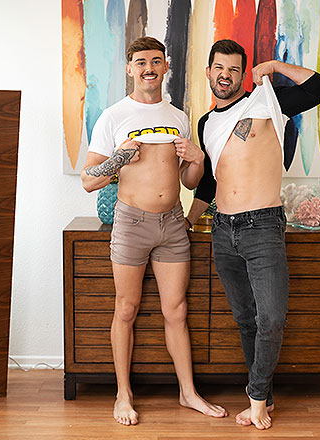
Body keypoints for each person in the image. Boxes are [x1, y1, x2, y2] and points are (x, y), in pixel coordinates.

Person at [185, 39, 320, 430]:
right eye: (219, 68)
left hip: (262, 226)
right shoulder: (205, 124)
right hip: (222, 229)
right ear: (208, 72)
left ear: (242, 74)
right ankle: (263, 398)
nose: (226, 76)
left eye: (234, 69)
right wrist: (188, 221)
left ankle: (255, 398)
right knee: (246, 320)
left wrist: (275, 66)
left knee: (271, 318)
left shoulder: (267, 102)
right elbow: (209, 183)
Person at [81, 36, 227, 426]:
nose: (150, 68)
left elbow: (190, 181)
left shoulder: (178, 117)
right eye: (142, 61)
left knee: (176, 310)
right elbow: (88, 180)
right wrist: (118, 158)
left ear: (166, 67)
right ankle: (123, 394)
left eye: (156, 61)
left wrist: (197, 160)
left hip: (173, 224)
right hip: (132, 224)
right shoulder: (113, 117)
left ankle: (188, 393)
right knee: (126, 309)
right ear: (130, 68)